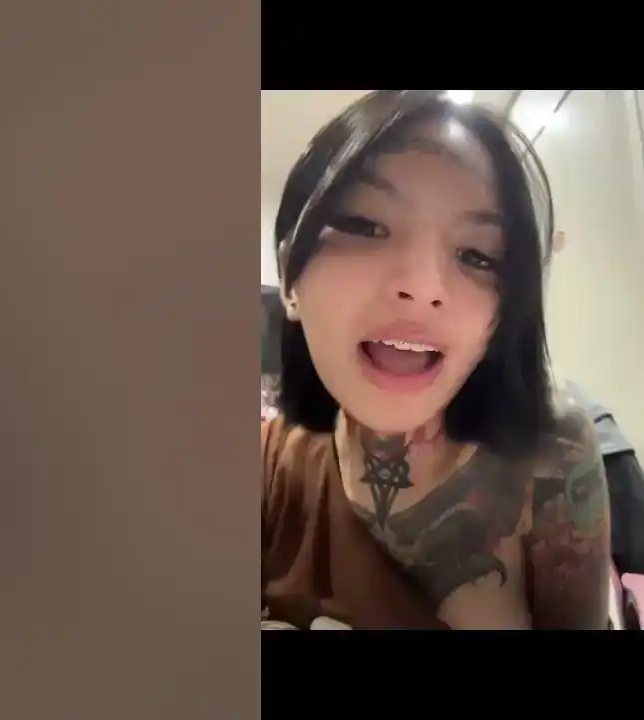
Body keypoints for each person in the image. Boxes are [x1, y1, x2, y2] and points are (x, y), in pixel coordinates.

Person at [261, 90, 612, 630]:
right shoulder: (268, 465)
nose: (424, 288)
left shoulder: (552, 453)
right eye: (364, 225)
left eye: (478, 255)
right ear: (289, 277)